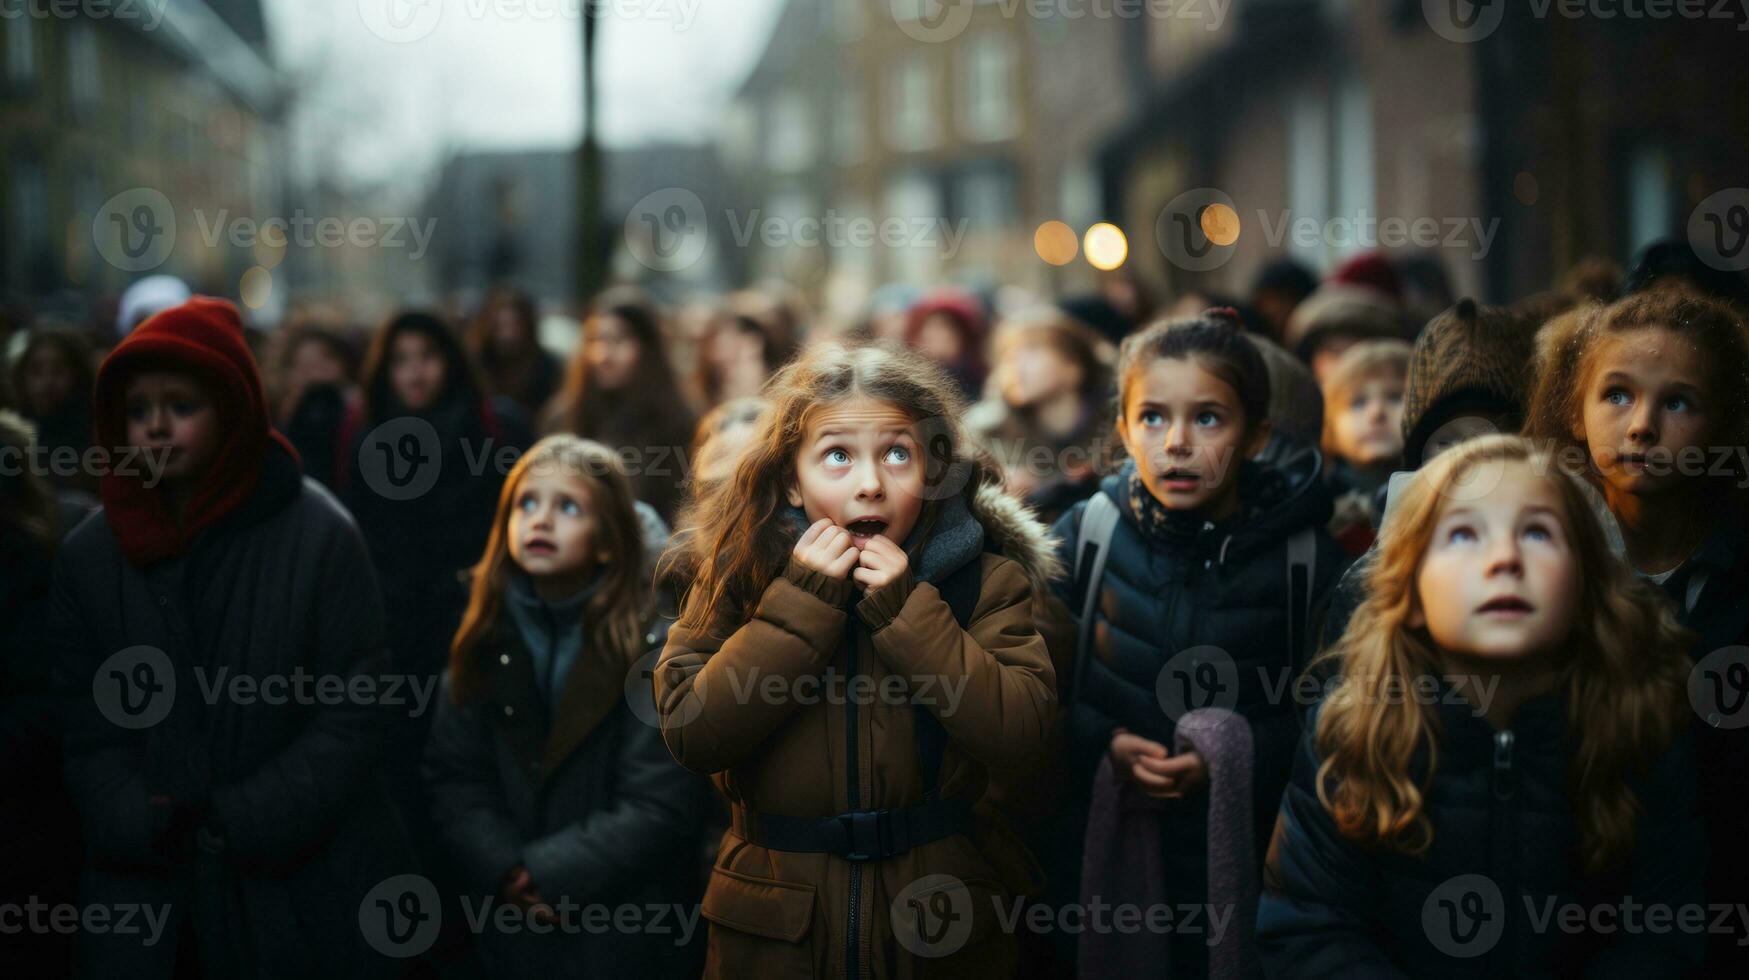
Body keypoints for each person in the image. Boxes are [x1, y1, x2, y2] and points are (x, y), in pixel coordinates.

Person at [653, 341, 1060, 978]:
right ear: (791, 478)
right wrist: (803, 604)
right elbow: (692, 730)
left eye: (897, 454)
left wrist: (906, 614)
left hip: (938, 923)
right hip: (777, 928)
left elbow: (1023, 736)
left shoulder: (984, 581)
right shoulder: (740, 576)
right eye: (837, 456)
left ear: (931, 471)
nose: (870, 483)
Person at [49, 297, 412, 978]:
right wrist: (137, 817)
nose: (155, 428)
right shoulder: (89, 556)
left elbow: (355, 709)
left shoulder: (320, 536)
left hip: (296, 891)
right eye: (137, 410)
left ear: (231, 409)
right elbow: (79, 719)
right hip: (145, 901)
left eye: (181, 406)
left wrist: (238, 818)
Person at [1258, 435, 1704, 978]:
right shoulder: (1350, 731)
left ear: (1586, 585)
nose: (1505, 559)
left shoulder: (1640, 727)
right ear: (1412, 593)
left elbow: (1668, 929)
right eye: (1464, 534)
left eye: (1538, 532)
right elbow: (1307, 922)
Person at [1043, 309, 1348, 978]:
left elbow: (1333, 721)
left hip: (1250, 863)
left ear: (1255, 435)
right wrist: (1100, 743)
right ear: (1122, 429)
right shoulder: (1084, 532)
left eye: (1208, 419)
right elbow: (1032, 690)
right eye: (1152, 417)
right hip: (1107, 864)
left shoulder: (1302, 558)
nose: (1176, 442)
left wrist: (1236, 754)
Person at [1525, 290, 1749, 975]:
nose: (1642, 426)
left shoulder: (1735, 573)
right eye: (1616, 395)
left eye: (1678, 403)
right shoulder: (1528, 557)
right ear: (1574, 408)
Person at [424, 436, 705, 977]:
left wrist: (547, 871)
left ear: (606, 542)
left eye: (567, 507)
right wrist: (506, 867)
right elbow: (454, 776)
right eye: (527, 503)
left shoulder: (653, 649)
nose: (541, 521)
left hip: (623, 930)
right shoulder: (483, 637)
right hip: (510, 926)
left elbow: (659, 804)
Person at [339, 309, 532, 927]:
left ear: (450, 360)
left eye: (428, 355)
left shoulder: (494, 428)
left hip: (480, 631)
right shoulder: (368, 436)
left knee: (475, 779)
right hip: (395, 640)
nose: (415, 371)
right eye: (401, 358)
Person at [543, 290, 696, 523]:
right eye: (595, 340)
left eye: (618, 340)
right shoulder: (563, 417)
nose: (603, 354)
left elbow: (681, 509)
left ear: (646, 347)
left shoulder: (677, 422)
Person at [967, 309, 1113, 525]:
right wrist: (994, 490)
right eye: (1008, 355)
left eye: (1032, 351)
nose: (1015, 365)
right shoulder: (985, 434)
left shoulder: (1121, 427)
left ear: (1074, 367)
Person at [1319, 339, 1412, 555]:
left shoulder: (1446, 494)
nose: (1376, 413)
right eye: (1358, 402)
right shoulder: (1317, 507)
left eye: (1395, 397)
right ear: (1330, 424)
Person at [10, 325, 97, 494]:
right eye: (36, 371)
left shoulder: (98, 434)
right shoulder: (12, 437)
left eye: (58, 371)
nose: (47, 382)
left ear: (78, 375)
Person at [273, 324, 359, 490]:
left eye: (323, 361)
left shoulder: (357, 412)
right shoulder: (285, 415)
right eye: (304, 365)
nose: (315, 373)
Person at [466, 287, 561, 421]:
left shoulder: (545, 369)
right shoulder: (473, 364)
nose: (507, 335)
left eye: (514, 326)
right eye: (500, 326)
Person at [905, 289, 989, 403]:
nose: (934, 335)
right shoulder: (912, 383)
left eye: (944, 327)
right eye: (929, 327)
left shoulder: (980, 378)